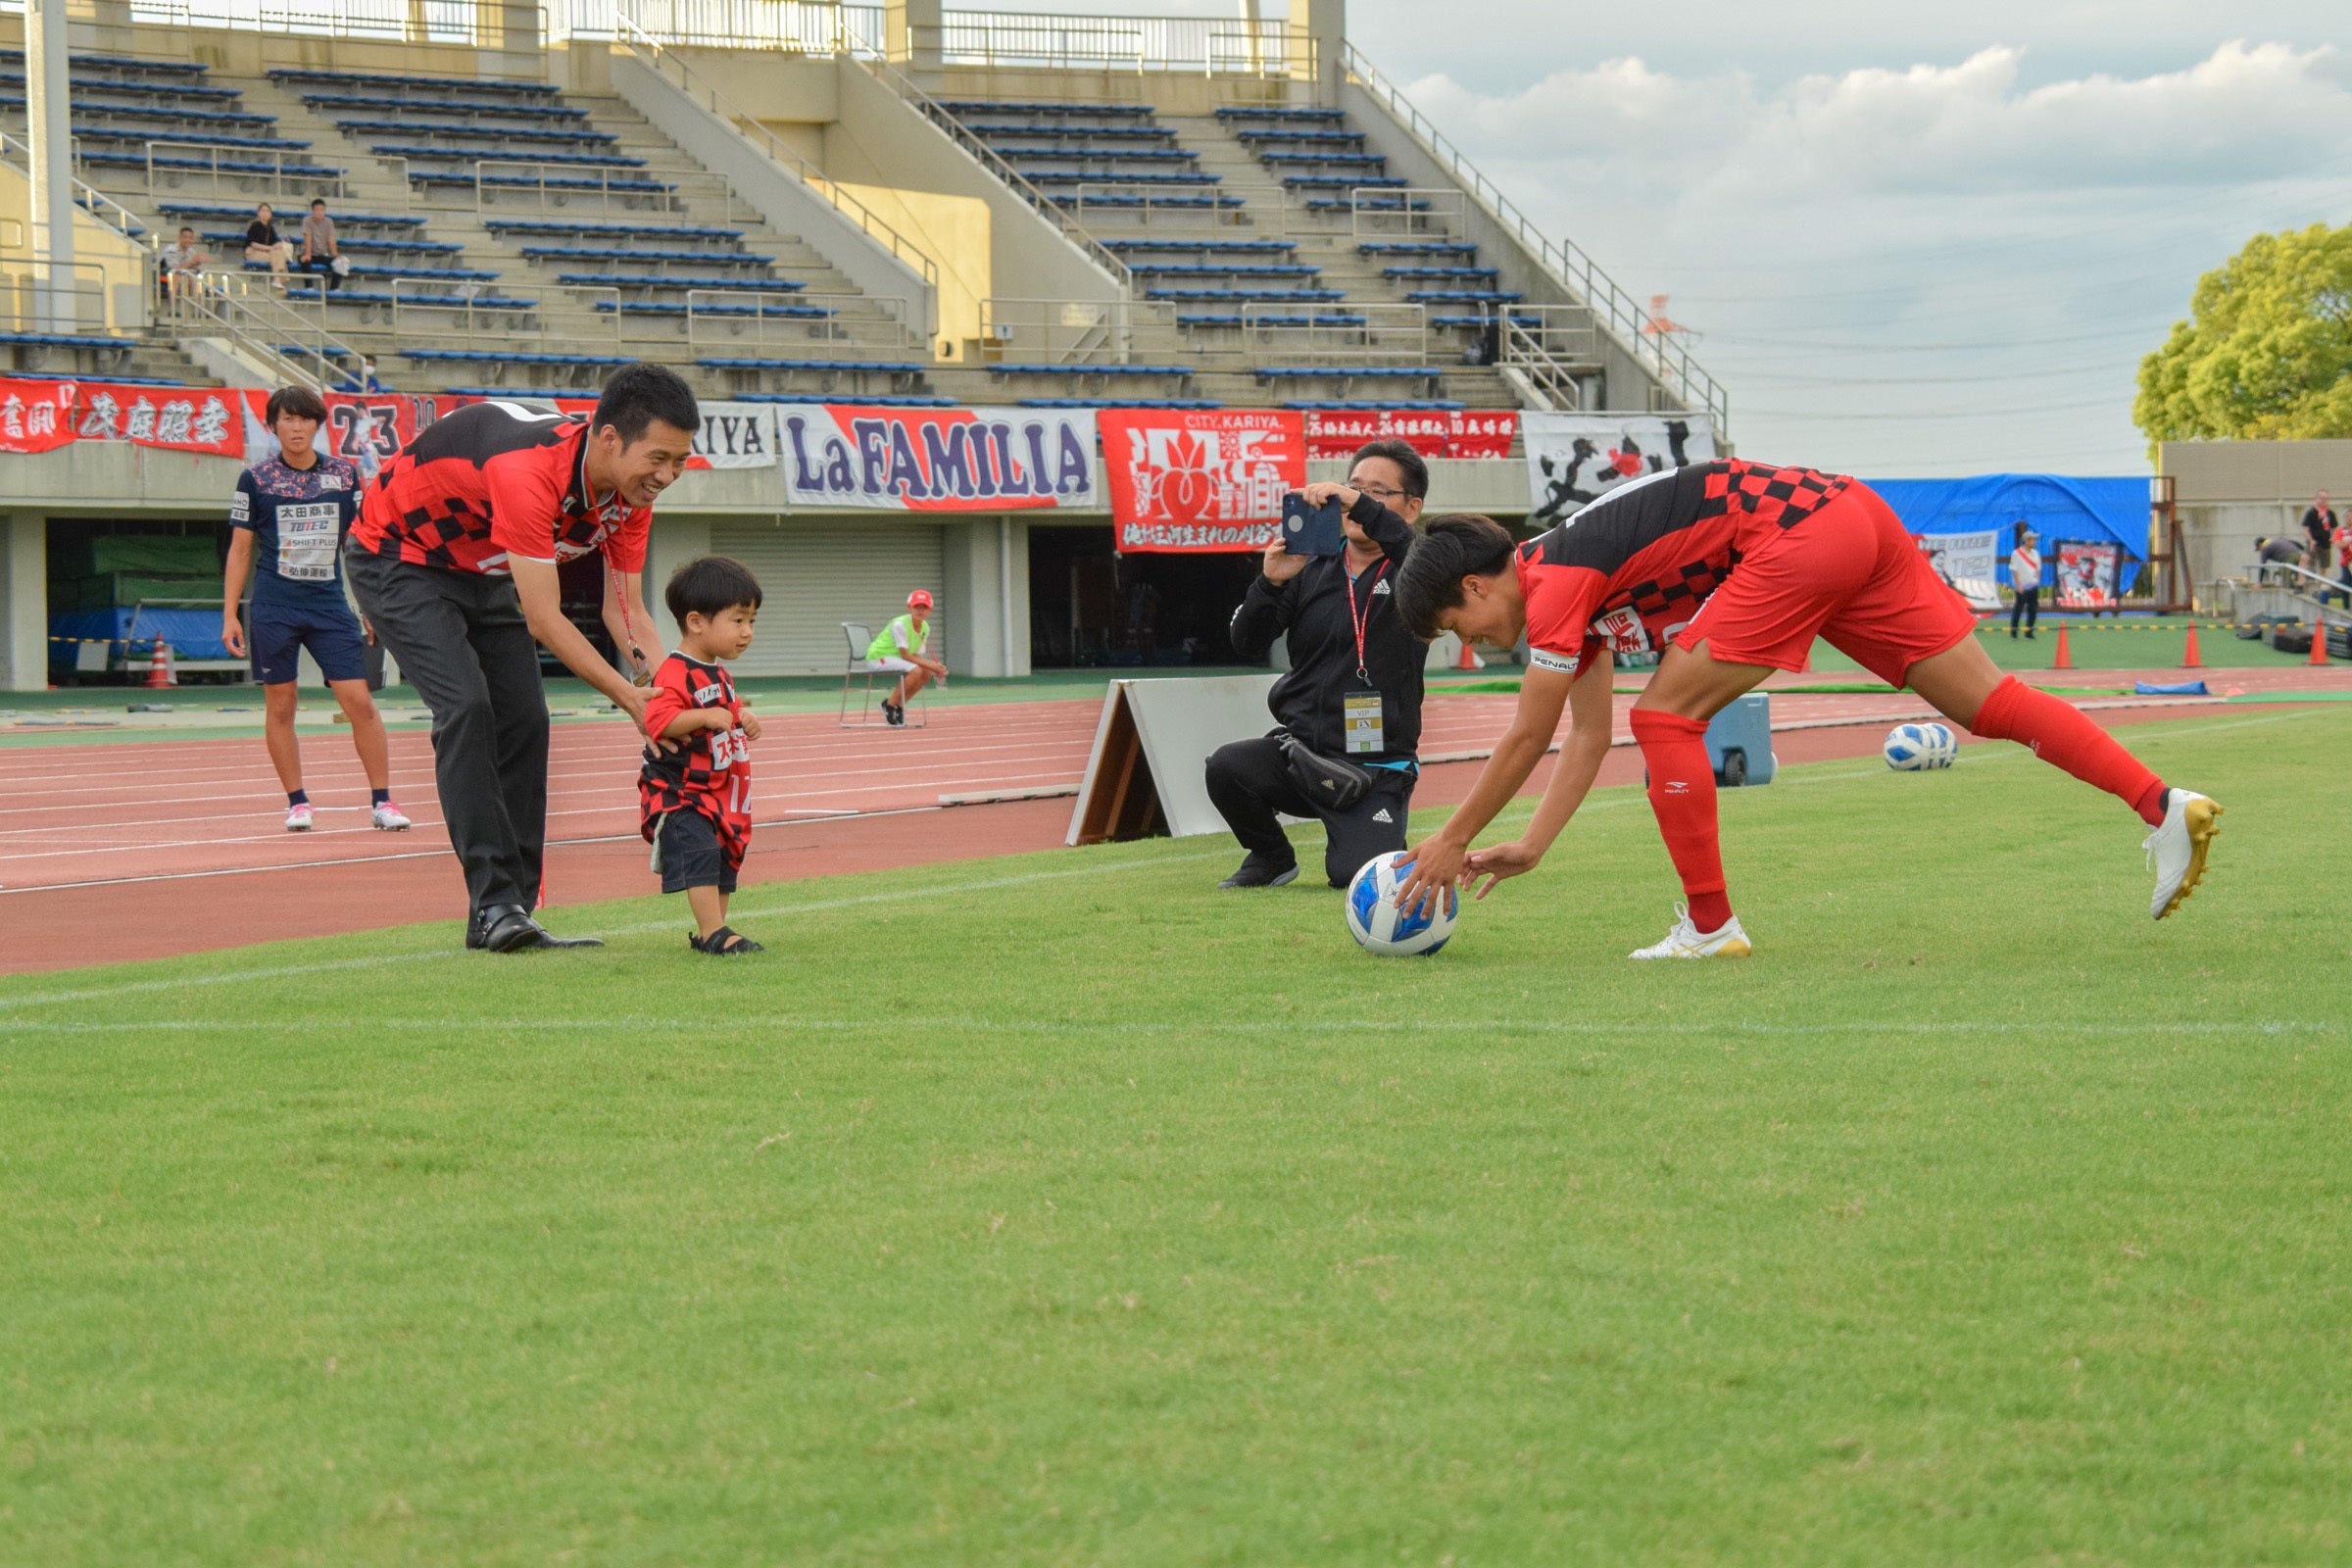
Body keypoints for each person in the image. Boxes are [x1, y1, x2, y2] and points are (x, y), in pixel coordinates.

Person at [1390, 460, 2222, 960]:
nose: (1474, 643)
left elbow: (1529, 733)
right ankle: (2163, 805)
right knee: (1991, 703)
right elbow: (1586, 735)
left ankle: (1710, 927)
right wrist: (1533, 844)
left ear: (1476, 587)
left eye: (1458, 627)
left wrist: (1451, 836)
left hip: (1795, 536)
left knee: (1666, 718)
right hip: (1849, 513)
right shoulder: (1569, 591)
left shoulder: (1554, 581)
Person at [346, 362, 691, 954]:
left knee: (527, 720)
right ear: (610, 438)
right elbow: (544, 619)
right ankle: (493, 905)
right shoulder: (528, 470)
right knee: (467, 707)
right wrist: (630, 699)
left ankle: (515, 912)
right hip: (398, 556)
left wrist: (674, 694)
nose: (666, 476)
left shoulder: (631, 496)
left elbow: (627, 612)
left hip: (482, 569)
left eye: (679, 461)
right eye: (658, 458)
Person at [1208, 437, 1427, 889]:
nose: (1356, 501)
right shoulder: (1310, 565)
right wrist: (1270, 582)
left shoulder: (1419, 570)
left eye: (1376, 493)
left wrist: (1358, 504)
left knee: (1355, 876)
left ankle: (1372, 833)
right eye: (1353, 488)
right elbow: (1246, 641)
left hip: (1376, 767)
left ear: (1411, 508)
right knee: (1227, 767)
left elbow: (1408, 547)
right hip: (1304, 755)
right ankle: (1271, 857)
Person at [220, 385, 410, 834]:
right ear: (273, 426)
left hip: (329, 606)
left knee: (359, 702)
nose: (296, 427)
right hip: (274, 607)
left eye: (304, 419)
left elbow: (358, 545)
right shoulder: (256, 479)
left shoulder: (344, 476)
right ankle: (297, 802)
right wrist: (229, 614)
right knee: (281, 705)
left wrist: (369, 604)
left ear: (318, 425)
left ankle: (382, 801)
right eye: (287, 419)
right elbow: (240, 549)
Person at [640, 555, 765, 956]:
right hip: (680, 791)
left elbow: (725, 710)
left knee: (725, 853)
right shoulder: (676, 671)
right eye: (738, 620)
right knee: (701, 851)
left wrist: (741, 716)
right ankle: (713, 932)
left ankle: (715, 930)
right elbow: (657, 720)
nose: (747, 632)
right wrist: (704, 716)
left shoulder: (719, 673)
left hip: (718, 790)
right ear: (696, 622)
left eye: (752, 621)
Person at [866, 589, 947, 726]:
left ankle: (900, 706)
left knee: (926, 671)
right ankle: (889, 706)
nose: (920, 611)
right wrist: (932, 665)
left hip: (898, 659)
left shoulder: (925, 627)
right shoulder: (899, 624)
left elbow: (915, 654)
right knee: (916, 670)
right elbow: (905, 655)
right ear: (909, 607)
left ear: (930, 610)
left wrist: (935, 667)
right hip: (879, 657)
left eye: (924, 607)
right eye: (917, 606)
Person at [244, 202, 292, 289]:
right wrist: (271, 248)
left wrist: (279, 244)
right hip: (253, 252)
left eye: (267, 211)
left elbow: (275, 241)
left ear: (270, 214)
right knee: (278, 256)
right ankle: (279, 280)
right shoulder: (255, 226)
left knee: (279, 253)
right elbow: (254, 244)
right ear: (258, 213)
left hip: (267, 252)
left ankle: (277, 280)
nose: (265, 213)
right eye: (263, 211)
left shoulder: (270, 228)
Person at [300, 197, 341, 294]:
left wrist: (336, 255)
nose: (319, 212)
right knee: (306, 261)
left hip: (322, 254)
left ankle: (334, 288)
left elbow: (331, 240)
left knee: (340, 263)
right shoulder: (307, 221)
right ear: (313, 211)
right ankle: (309, 287)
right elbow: (308, 239)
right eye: (317, 210)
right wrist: (308, 254)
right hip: (308, 252)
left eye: (322, 210)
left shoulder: (329, 221)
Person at [2008, 522, 2041, 639]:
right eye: (2033, 540)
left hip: (2033, 586)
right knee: (2018, 609)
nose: (2035, 542)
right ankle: (2014, 632)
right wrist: (2018, 585)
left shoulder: (2035, 553)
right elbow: (2014, 570)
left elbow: (2038, 568)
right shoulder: (2017, 553)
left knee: (2033, 610)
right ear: (2026, 541)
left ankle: (2029, 632)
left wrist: (2037, 580)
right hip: (2022, 586)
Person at [157, 225, 207, 303]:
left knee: (194, 276)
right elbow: (174, 268)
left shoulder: (191, 251)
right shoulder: (171, 250)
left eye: (190, 238)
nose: (188, 240)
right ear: (179, 238)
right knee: (176, 275)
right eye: (185, 237)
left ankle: (194, 304)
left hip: (181, 272)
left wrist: (197, 263)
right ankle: (172, 305)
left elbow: (192, 267)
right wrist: (191, 262)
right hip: (161, 273)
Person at [2301, 491, 2336, 574]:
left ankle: (2322, 581)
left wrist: (2332, 537)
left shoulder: (2330, 513)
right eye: (2321, 498)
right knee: (2311, 565)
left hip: (2325, 544)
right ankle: (2310, 580)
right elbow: (2305, 529)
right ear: (2316, 499)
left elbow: (2334, 527)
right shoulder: (2311, 513)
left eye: (2326, 498)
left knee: (2324, 567)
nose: (2324, 500)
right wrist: (2311, 540)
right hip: (2313, 544)